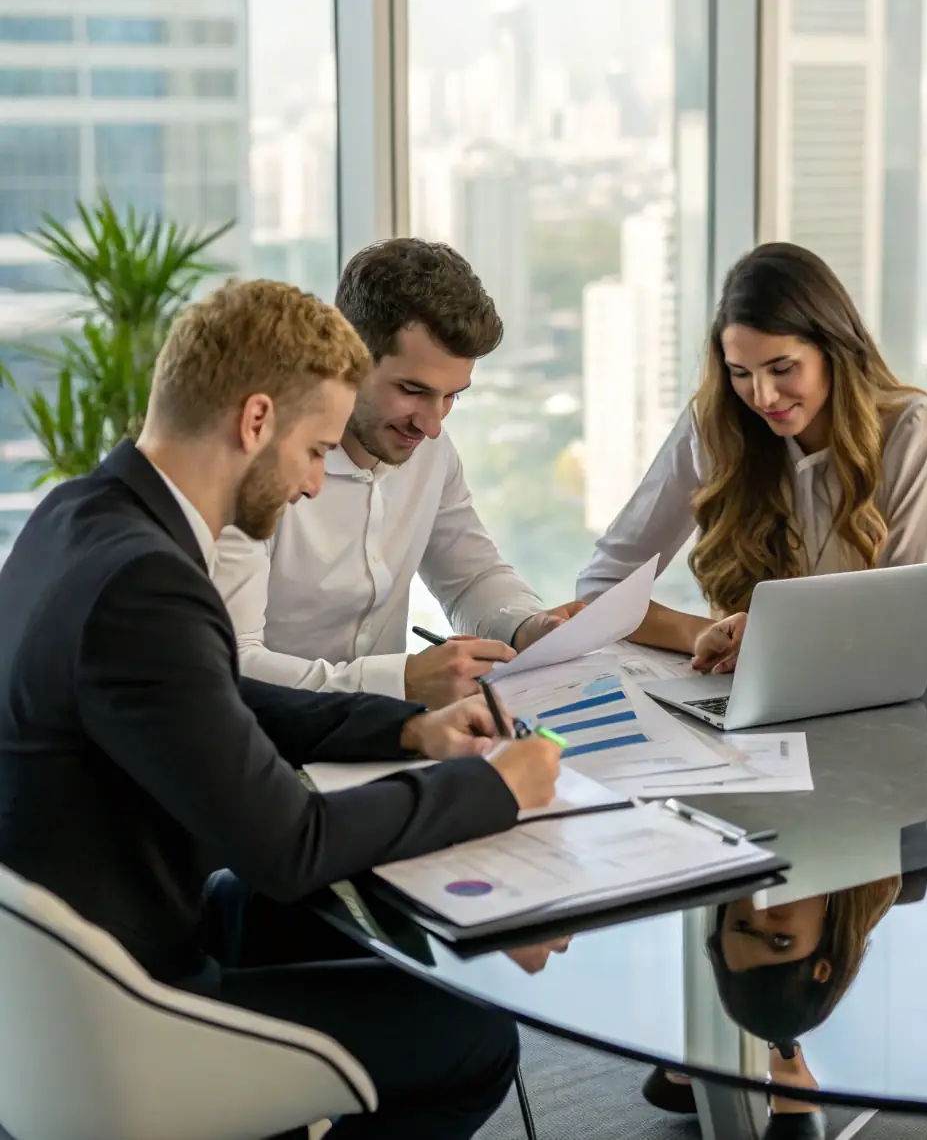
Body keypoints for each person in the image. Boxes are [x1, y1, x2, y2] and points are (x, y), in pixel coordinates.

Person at [0, 278, 563, 1140]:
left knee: (334, 932)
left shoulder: (79, 514)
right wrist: (498, 791)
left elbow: (217, 696)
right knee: (474, 1038)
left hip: (68, 968)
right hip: (129, 1004)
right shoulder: (148, 584)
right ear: (256, 420)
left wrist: (406, 728)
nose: (311, 485)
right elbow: (291, 846)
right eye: (314, 450)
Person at [214, 239, 578, 708]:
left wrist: (529, 626)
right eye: (412, 391)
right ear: (347, 355)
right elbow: (234, 664)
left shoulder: (430, 449)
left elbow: (470, 577)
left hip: (387, 739)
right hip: (273, 743)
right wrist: (400, 682)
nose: (431, 424)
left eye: (452, 396)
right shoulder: (260, 464)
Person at [577, 242, 927, 671]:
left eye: (782, 369)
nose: (762, 396)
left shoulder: (913, 429)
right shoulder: (716, 425)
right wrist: (696, 633)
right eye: (740, 373)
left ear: (833, 351)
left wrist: (774, 645)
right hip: (744, 708)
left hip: (870, 708)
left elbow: (918, 632)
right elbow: (600, 587)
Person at [645, 880, 900, 1117]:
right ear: (822, 967)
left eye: (743, 925)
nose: (757, 908)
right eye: (780, 940)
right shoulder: (898, 856)